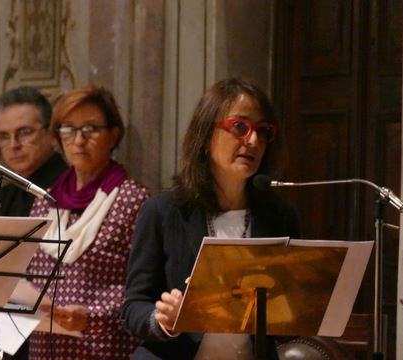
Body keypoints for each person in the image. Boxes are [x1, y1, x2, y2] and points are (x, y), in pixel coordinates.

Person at [122, 78, 301, 359]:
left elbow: (294, 315)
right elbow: (134, 306)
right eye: (239, 127)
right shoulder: (162, 211)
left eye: (263, 131)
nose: (253, 140)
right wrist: (163, 320)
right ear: (205, 136)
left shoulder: (280, 217)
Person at [26, 85, 150, 359]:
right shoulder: (45, 201)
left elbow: (145, 289)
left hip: (104, 349)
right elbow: (27, 279)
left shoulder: (134, 200)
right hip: (43, 350)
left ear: (113, 135)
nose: (78, 140)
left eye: (90, 129)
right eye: (68, 129)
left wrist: (92, 317)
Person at [0, 86, 68, 217]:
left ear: (51, 134)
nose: (13, 144)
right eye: (4, 136)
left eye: (24, 132)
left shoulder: (72, 187)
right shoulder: (4, 195)